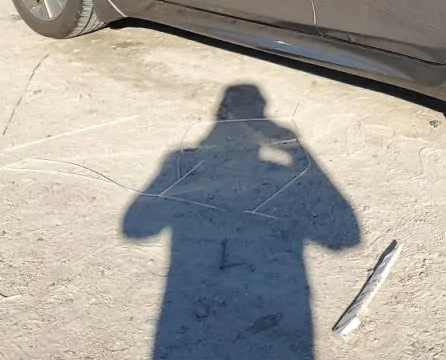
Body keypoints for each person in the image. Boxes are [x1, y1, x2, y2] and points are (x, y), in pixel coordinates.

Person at [123, 84, 360, 360]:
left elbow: (136, 228)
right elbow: (346, 238)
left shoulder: (185, 156)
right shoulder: (189, 158)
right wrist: (297, 151)